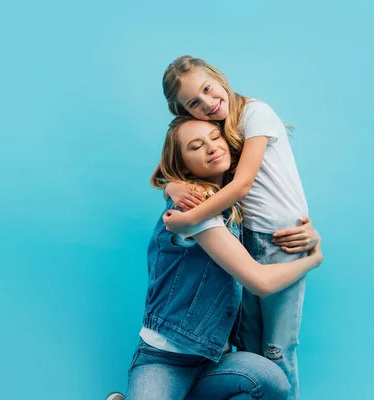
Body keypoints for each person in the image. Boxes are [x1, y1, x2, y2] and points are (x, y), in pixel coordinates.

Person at [112, 117, 322, 400]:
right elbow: (259, 281)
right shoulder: (192, 211)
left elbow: (274, 224)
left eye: (215, 137)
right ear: (184, 165)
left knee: (273, 381)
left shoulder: (233, 205)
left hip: (214, 360)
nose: (211, 148)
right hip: (165, 360)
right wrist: (313, 260)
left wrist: (307, 234)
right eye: (197, 146)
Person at [161, 56, 315, 399]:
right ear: (186, 113)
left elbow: (242, 185)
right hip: (244, 239)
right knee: (247, 348)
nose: (207, 102)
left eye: (206, 88)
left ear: (218, 76)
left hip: (282, 240)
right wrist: (173, 188)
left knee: (276, 348)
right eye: (194, 104)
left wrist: (189, 218)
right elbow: (169, 168)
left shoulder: (255, 114)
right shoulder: (216, 133)